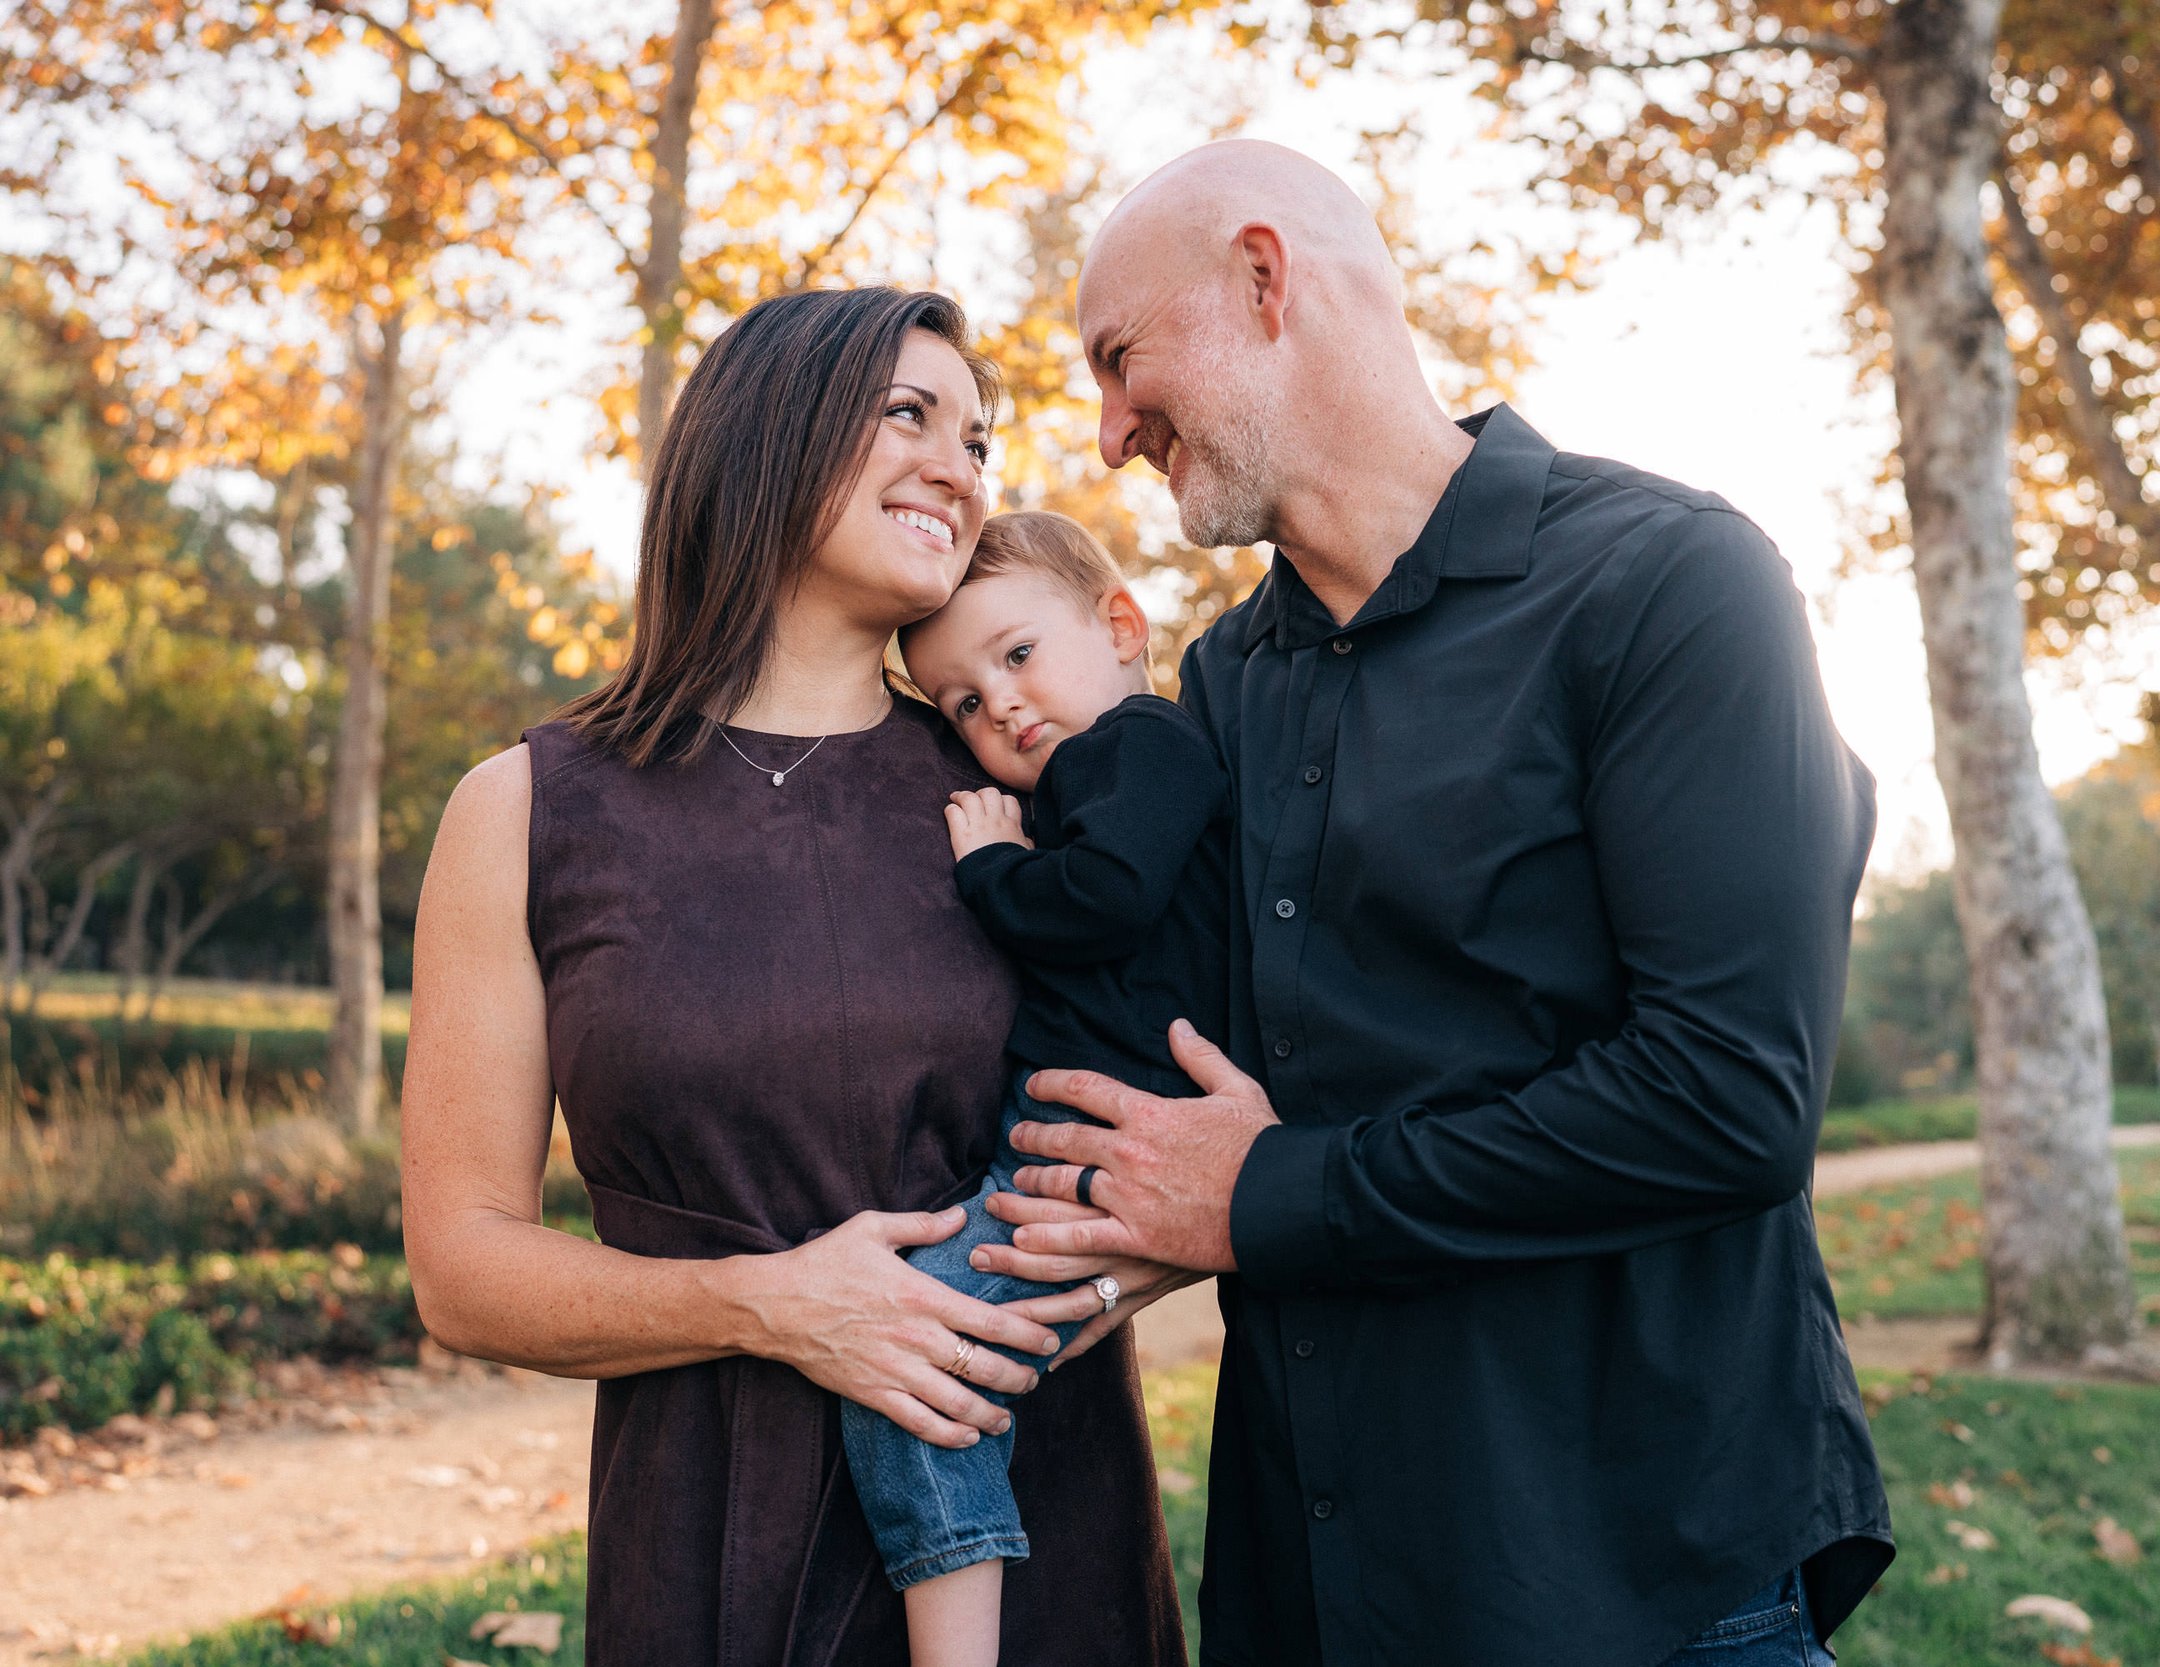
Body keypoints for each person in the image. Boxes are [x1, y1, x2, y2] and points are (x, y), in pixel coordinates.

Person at [978, 140, 1898, 1664]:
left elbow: (1731, 1095)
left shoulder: (1671, 584)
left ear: (1265, 279)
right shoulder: (1219, 686)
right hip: (1316, 1582)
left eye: (1121, 360)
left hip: (1634, 1569)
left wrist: (1258, 1195)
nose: (1107, 429)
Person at [397, 288, 1189, 1667]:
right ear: (767, 431)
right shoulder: (528, 807)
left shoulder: (1031, 789)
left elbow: (1197, 1119)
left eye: (979, 439)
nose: (960, 463)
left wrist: (1089, 1287)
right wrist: (766, 1302)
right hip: (709, 1537)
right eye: (908, 414)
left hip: (1026, 1524)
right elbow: (462, 1268)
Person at [842, 509, 1229, 1666]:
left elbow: (1103, 897)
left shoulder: (1142, 746)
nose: (999, 704)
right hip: (1062, 1156)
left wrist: (992, 870)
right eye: (962, 700)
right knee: (946, 1360)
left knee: (910, 1375)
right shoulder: (1094, 770)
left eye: (1017, 655)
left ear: (1120, 625)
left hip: (1099, 1155)